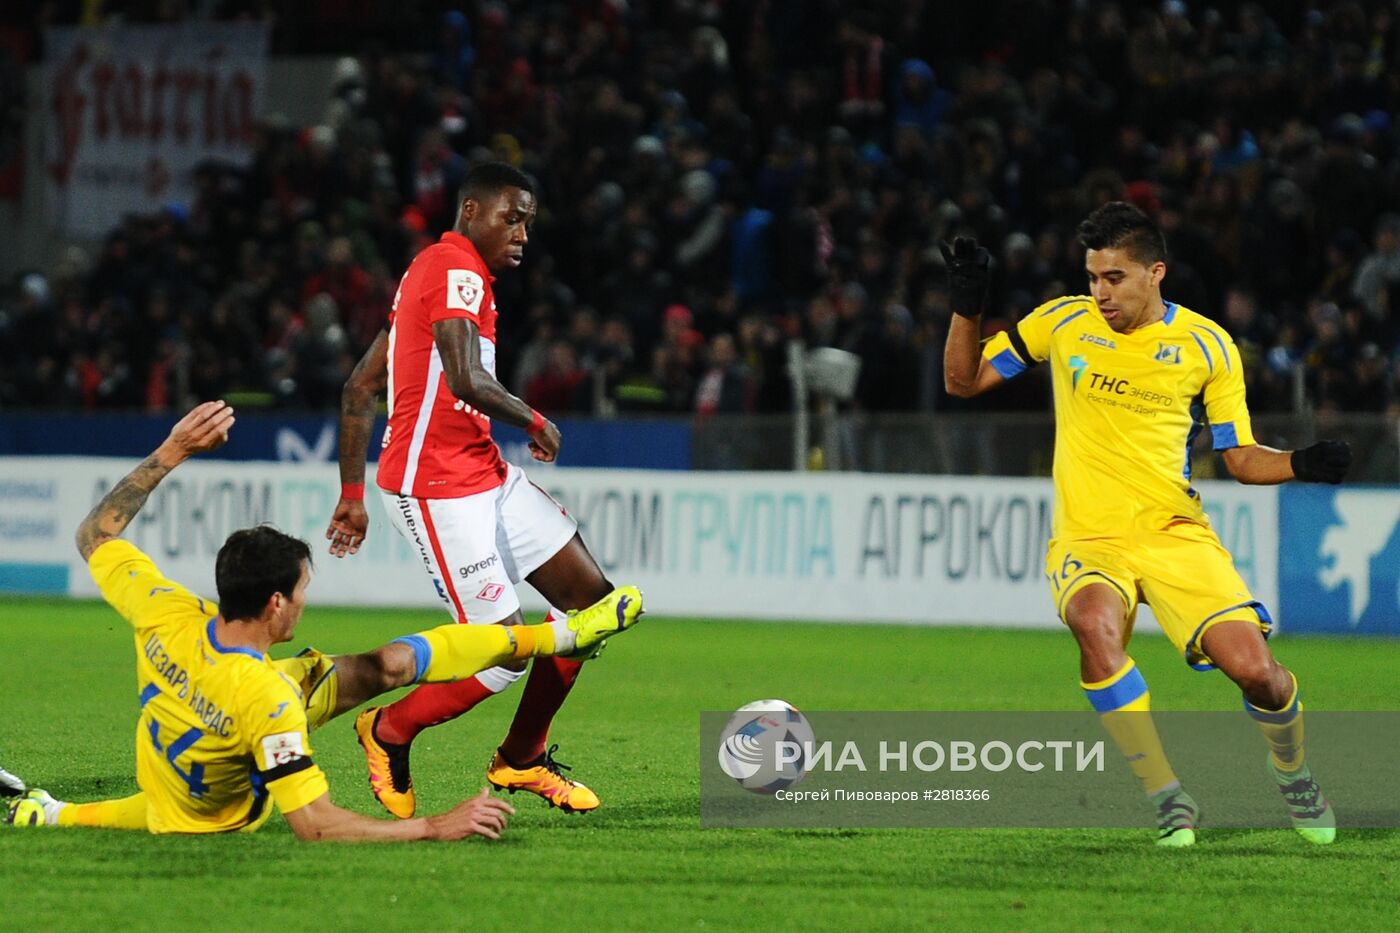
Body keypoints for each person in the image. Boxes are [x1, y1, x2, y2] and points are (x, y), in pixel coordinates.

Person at [5, 402, 644, 840]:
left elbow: (96, 533)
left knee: (385, 665)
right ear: (276, 604)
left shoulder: (167, 612)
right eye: (302, 591)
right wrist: (433, 827)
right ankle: (57, 815)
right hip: (214, 793)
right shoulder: (269, 702)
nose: (306, 602)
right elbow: (315, 825)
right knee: (379, 671)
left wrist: (174, 449)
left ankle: (558, 636)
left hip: (190, 747)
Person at [941, 202, 1352, 847]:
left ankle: (1293, 771)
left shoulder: (1206, 345)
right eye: (1092, 277)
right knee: (1093, 626)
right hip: (1090, 537)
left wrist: (1300, 462)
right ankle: (1168, 796)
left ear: (1155, 272)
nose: (1100, 293)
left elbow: (1241, 458)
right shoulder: (1062, 322)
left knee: (1259, 675)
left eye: (1114, 278)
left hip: (1174, 533)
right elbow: (963, 382)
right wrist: (967, 305)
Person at [326, 162, 622, 819]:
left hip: (482, 471)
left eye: (529, 223)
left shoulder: (438, 276)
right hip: (434, 487)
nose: (522, 234)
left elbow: (359, 385)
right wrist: (536, 420)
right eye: (511, 218)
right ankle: (388, 730)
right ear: (469, 211)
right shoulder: (453, 268)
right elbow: (464, 378)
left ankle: (521, 757)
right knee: (501, 651)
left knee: (590, 607)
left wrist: (351, 492)